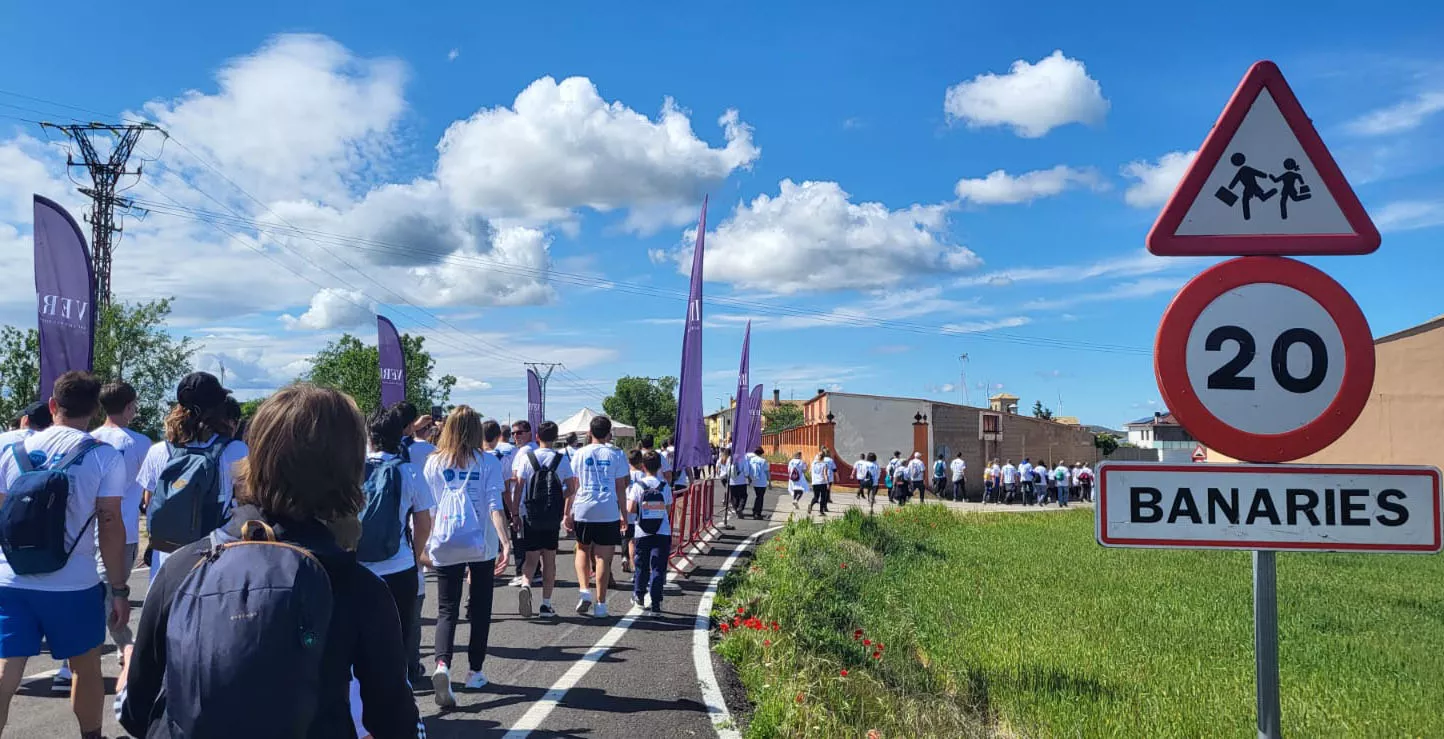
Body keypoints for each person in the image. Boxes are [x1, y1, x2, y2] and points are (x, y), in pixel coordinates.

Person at [118, 383, 423, 739]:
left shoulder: (185, 566)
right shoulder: (358, 586)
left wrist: (126, 678)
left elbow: (136, 714)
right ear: (348, 467)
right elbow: (396, 722)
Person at [0, 372, 129, 739]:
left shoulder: (12, 451)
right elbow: (110, 524)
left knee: (6, 669)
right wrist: (118, 588)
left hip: (11, 578)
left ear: (53, 405)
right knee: (84, 668)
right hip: (73, 582)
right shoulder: (103, 457)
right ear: (93, 410)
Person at [423, 409, 512, 705]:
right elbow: (493, 504)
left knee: (447, 609)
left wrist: (424, 544)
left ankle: (442, 665)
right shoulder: (487, 461)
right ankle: (475, 671)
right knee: (481, 606)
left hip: (445, 541)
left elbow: (430, 508)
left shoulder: (434, 461)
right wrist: (505, 541)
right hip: (480, 543)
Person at [138, 372, 249, 578]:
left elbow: (149, 503)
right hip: (214, 557)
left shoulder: (159, 450)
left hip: (166, 559)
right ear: (219, 408)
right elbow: (247, 503)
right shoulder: (235, 450)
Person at [359, 407, 434, 687]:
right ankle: (398, 695)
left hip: (359, 566)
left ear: (369, 436)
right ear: (402, 433)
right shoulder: (409, 471)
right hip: (399, 565)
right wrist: (415, 556)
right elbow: (423, 523)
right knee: (400, 634)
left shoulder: (354, 469)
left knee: (362, 635)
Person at [88, 382, 150, 669]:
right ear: (128, 407)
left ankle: (120, 648)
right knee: (113, 591)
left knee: (99, 589)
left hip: (87, 528)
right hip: (122, 528)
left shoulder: (88, 439)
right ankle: (117, 648)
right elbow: (147, 486)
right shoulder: (140, 442)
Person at [512, 421, 576, 619]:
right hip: (551, 516)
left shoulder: (527, 457)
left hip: (530, 514)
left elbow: (519, 488)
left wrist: (515, 513)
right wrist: (557, 496)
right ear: (555, 438)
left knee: (531, 559)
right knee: (549, 561)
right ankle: (546, 605)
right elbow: (571, 489)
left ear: (537, 437)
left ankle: (525, 584)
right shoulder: (561, 459)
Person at [567, 415, 628, 619]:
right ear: (609, 433)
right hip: (607, 507)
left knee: (582, 549)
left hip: (583, 506)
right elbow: (621, 486)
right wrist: (624, 515)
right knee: (604, 557)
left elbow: (573, 485)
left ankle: (584, 590)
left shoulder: (579, 453)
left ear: (590, 433)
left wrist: (567, 512)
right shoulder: (617, 454)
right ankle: (601, 604)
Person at [627, 450, 672, 617]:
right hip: (662, 531)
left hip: (642, 532)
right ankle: (656, 603)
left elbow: (630, 508)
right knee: (658, 568)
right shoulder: (665, 486)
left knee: (641, 565)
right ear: (660, 466)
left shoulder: (639, 486)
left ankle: (638, 596)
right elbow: (667, 509)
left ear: (643, 466)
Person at [723, 449, 749, 518]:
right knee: (743, 496)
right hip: (741, 481)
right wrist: (747, 476)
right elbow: (746, 470)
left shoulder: (729, 458)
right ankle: (740, 508)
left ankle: (737, 510)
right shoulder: (743, 458)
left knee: (734, 497)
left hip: (732, 482)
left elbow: (726, 469)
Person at [746, 446, 770, 519]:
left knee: (758, 496)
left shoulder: (751, 460)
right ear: (761, 453)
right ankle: (757, 513)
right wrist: (769, 482)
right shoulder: (763, 461)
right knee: (760, 497)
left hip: (754, 480)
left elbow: (748, 470)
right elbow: (767, 472)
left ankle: (755, 510)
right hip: (762, 481)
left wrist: (749, 478)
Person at [807, 451, 832, 516]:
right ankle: (821, 511)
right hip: (822, 482)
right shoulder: (824, 464)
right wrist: (828, 483)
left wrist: (811, 480)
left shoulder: (813, 463)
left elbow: (809, 472)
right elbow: (825, 474)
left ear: (817, 456)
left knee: (816, 497)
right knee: (823, 497)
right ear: (824, 457)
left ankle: (811, 504)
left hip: (815, 482)